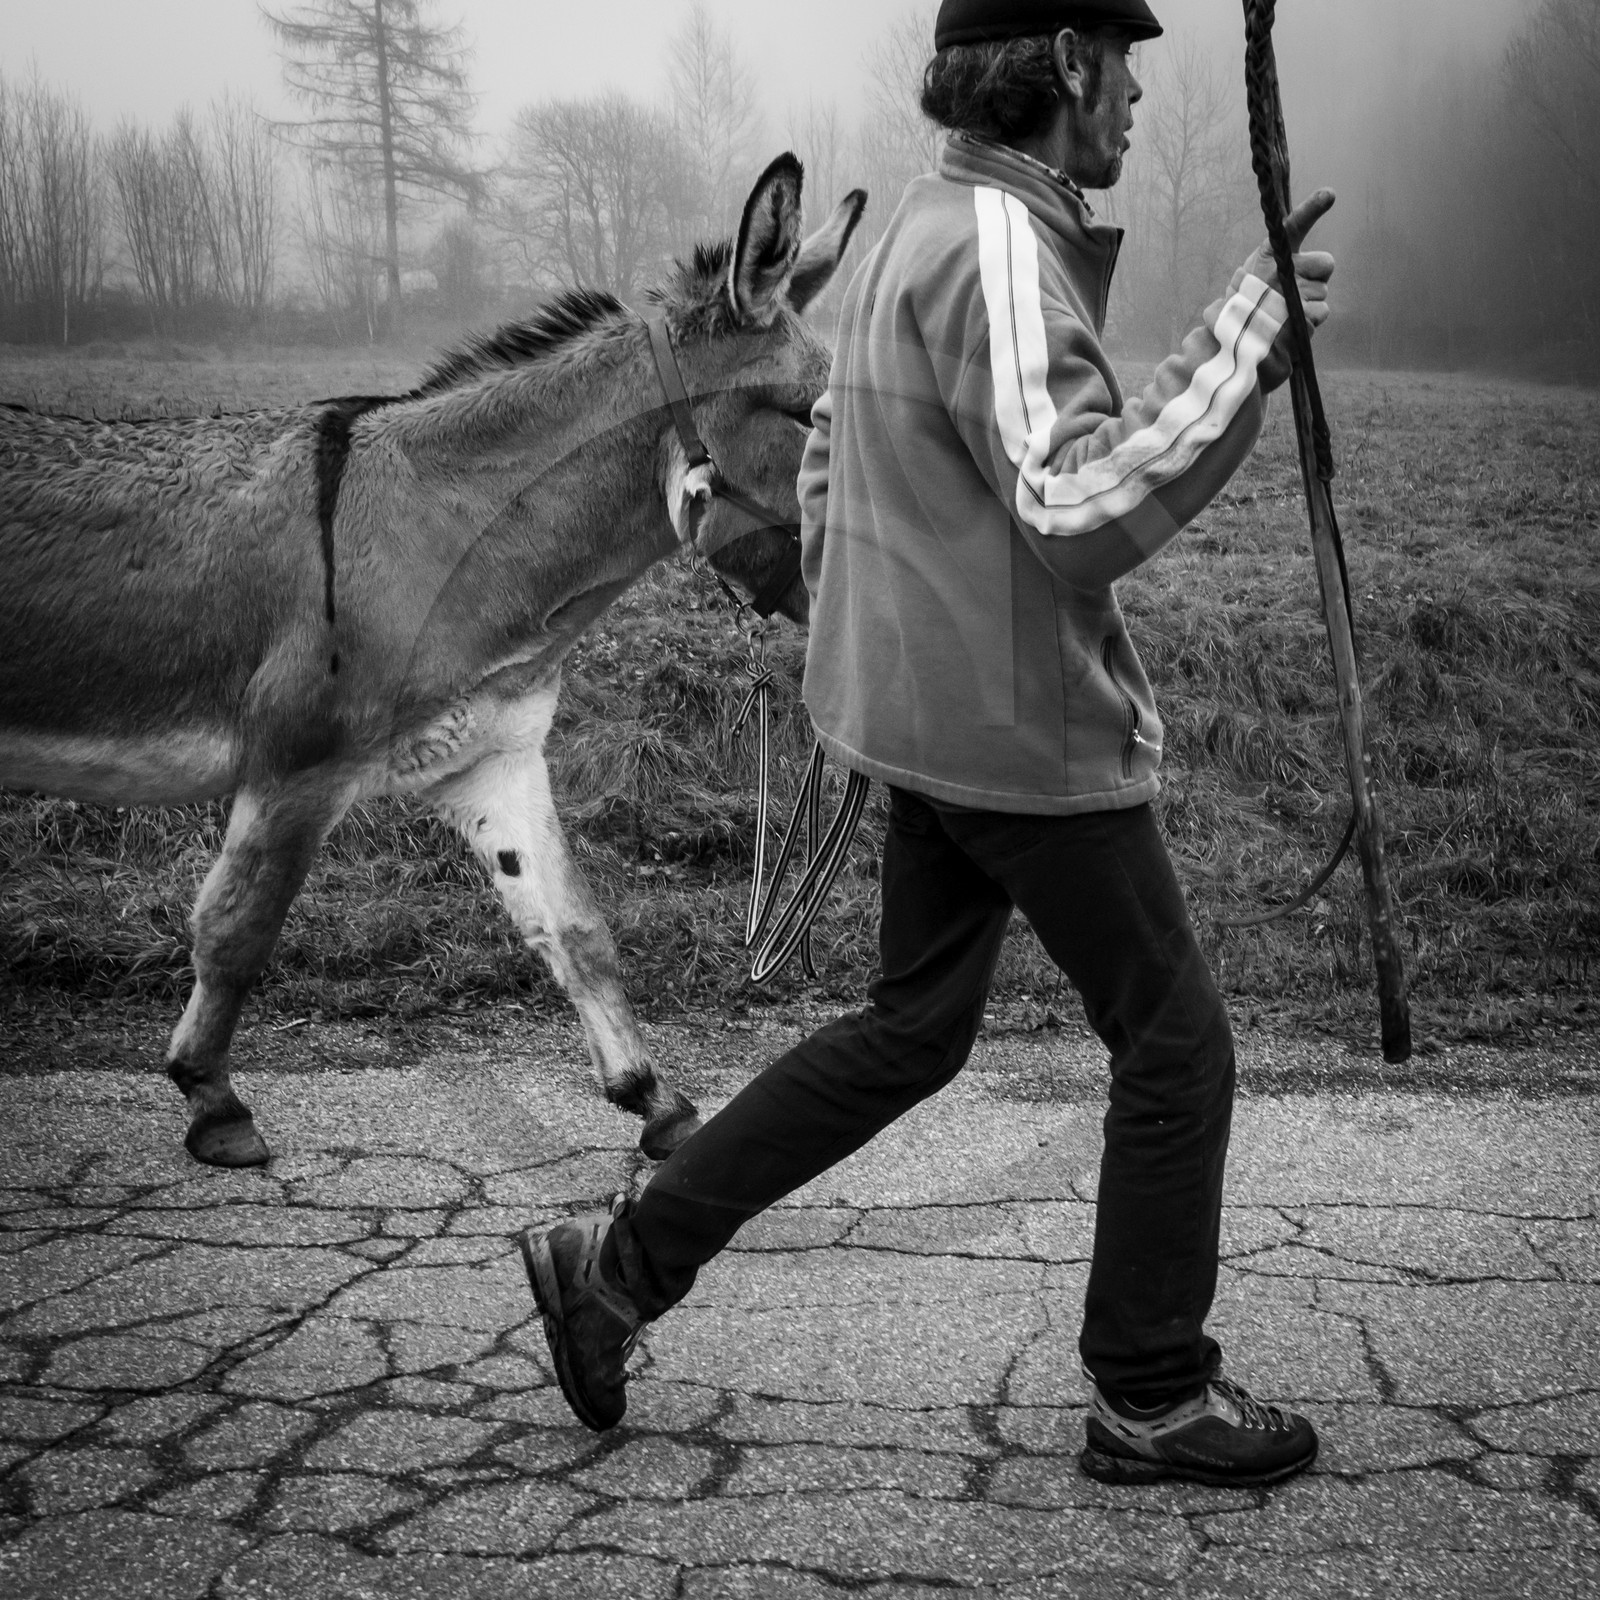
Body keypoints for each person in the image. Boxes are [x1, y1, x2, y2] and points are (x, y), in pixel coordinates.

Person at [521, 0, 1338, 1488]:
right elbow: (1076, 507)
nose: (1139, 97)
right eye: (1127, 63)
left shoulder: (921, 218)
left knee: (911, 1032)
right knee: (1175, 1042)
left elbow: (830, 459)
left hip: (921, 721)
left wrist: (864, 646)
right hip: (1016, 737)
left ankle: (616, 1270)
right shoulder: (1002, 245)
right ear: (1068, 61)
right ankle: (1152, 1391)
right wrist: (1244, 349)